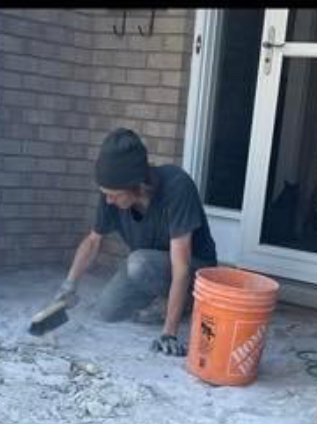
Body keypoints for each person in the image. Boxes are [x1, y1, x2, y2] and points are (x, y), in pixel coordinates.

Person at [58, 128, 218, 356]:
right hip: (150, 269)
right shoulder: (111, 195)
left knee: (138, 263)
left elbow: (181, 268)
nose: (108, 200)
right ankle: (162, 303)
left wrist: (169, 332)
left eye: (114, 194)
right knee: (107, 311)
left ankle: (184, 307)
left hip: (194, 273)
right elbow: (93, 241)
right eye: (105, 193)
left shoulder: (177, 187)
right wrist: (69, 285)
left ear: (139, 185)